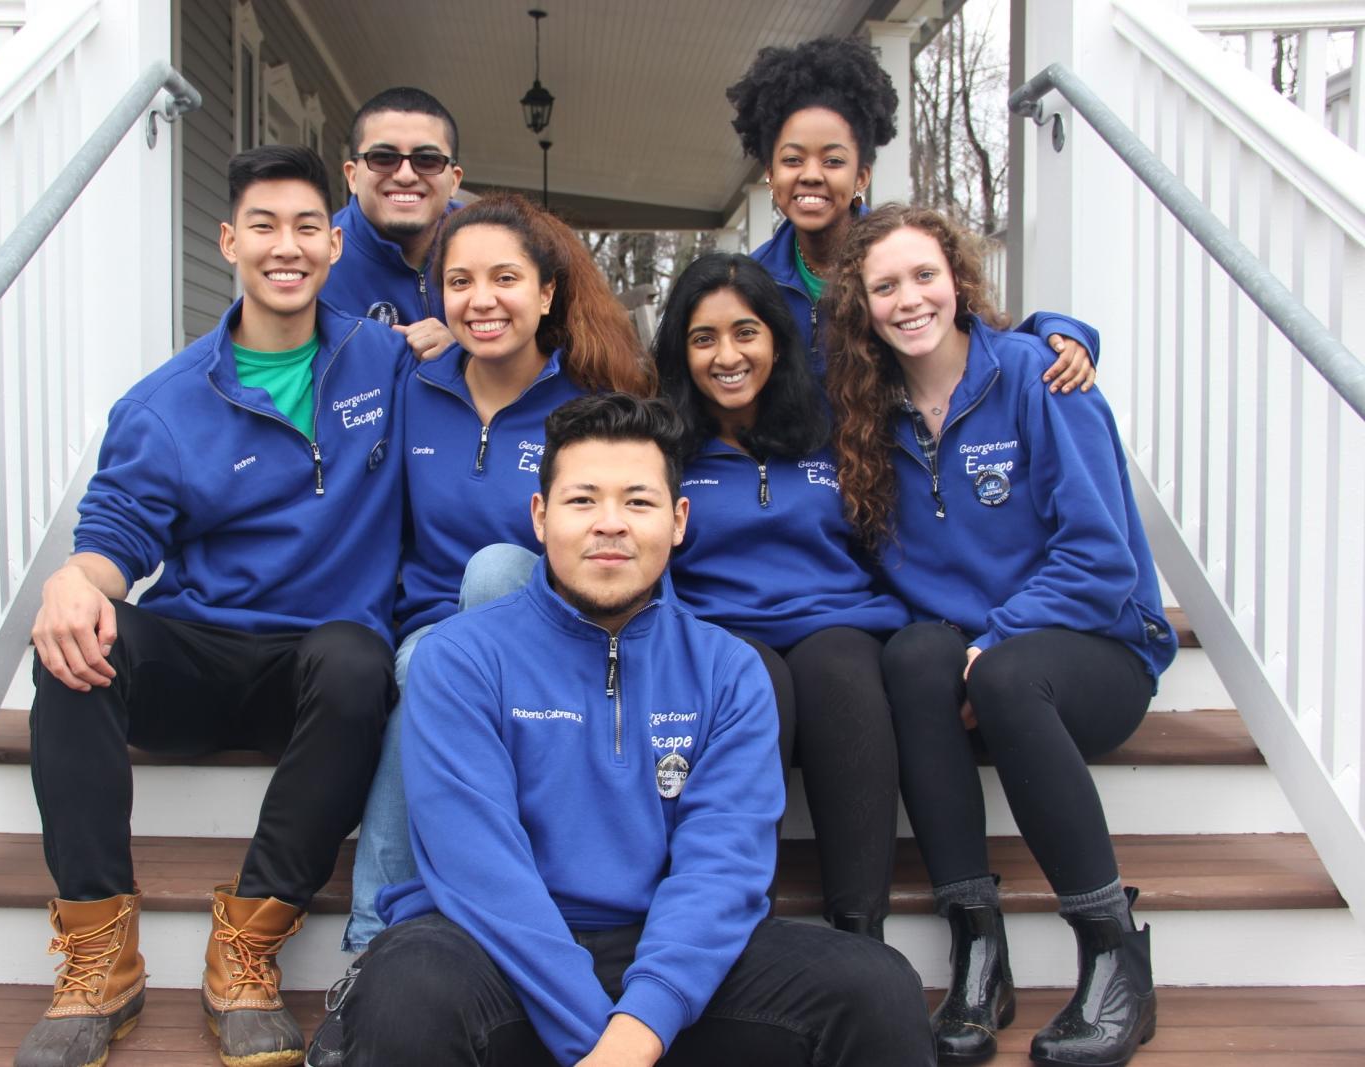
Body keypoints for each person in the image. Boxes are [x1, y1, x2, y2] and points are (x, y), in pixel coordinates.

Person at [341, 393, 936, 1066]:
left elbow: (721, 869)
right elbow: (478, 869)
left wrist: (638, 1030)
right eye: (583, 500)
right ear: (540, 517)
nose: (611, 524)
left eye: (639, 502)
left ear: (679, 520)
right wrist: (599, 1039)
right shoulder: (461, 657)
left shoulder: (730, 671)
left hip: (663, 954)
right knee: (403, 992)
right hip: (496, 952)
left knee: (876, 988)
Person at [14, 145, 411, 1067]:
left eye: (308, 226)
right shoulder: (165, 404)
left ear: (335, 239)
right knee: (72, 650)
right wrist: (78, 579)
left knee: (361, 660)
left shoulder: (384, 363)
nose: (287, 246)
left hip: (318, 661)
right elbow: (115, 531)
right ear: (229, 240)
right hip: (198, 648)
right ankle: (99, 956)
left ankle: (249, 947)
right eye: (264, 226)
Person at [826, 204, 1177, 1067]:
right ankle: (978, 946)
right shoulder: (869, 414)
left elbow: (1101, 562)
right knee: (911, 655)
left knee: (1007, 677)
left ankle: (1113, 956)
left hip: (1095, 645)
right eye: (884, 286)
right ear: (861, 307)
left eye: (924, 276)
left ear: (958, 279)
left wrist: (1000, 638)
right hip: (972, 655)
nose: (909, 299)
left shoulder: (1039, 377)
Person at [309, 195, 651, 1064]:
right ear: (435, 298)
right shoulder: (407, 384)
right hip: (431, 635)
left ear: (546, 294)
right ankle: (371, 955)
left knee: (493, 576)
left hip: (566, 638)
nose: (480, 299)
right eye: (458, 282)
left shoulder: (591, 401)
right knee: (433, 657)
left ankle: (367, 939)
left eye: (505, 278)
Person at [654, 252, 909, 939]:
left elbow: (949, 343)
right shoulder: (663, 445)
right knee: (759, 680)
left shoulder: (831, 427)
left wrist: (1062, 331)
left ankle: (861, 930)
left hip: (837, 619)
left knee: (841, 673)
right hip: (721, 626)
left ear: (776, 338)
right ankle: (741, 930)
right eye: (703, 338)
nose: (726, 355)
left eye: (745, 332)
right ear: (681, 351)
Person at [726, 35, 1095, 389]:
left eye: (833, 160)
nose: (810, 175)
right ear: (772, 175)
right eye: (792, 160)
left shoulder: (907, 256)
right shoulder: (750, 284)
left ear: (862, 176)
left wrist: (1052, 330)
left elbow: (976, 338)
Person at [325, 86, 464, 361]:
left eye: (427, 160)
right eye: (383, 158)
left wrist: (465, 354)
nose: (405, 175)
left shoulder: (493, 247)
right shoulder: (315, 259)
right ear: (352, 176)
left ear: (454, 180)